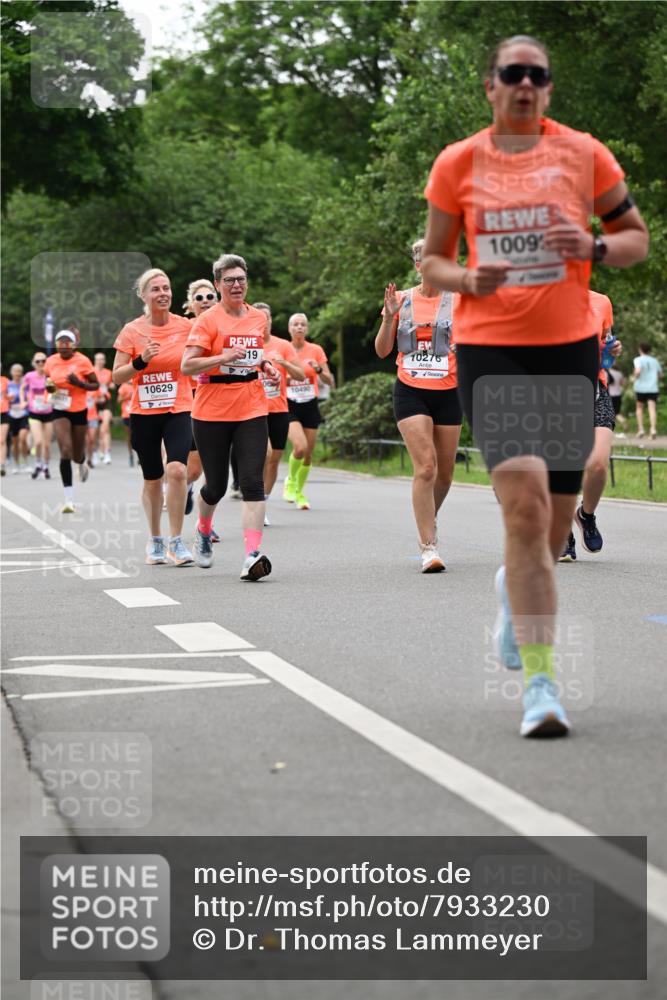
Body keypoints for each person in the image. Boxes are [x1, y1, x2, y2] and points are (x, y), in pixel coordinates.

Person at [422, 34, 648, 737]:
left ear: (547, 87)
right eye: (511, 73)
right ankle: (541, 685)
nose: (524, 83)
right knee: (520, 511)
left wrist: (596, 247)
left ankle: (508, 590)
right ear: (490, 84)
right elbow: (431, 263)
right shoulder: (458, 163)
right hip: (491, 350)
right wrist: (466, 278)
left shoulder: (583, 153)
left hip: (567, 349)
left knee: (548, 530)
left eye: (537, 74)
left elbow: (636, 237)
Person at [181, 253, 280, 580]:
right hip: (211, 409)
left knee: (252, 480)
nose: (236, 285)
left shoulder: (256, 318)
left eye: (241, 279)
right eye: (229, 280)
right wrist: (221, 357)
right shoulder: (207, 321)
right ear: (218, 284)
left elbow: (253, 355)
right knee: (217, 486)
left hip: (251, 404)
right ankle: (203, 528)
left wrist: (266, 367)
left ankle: (251, 555)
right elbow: (188, 365)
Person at [375, 239, 462, 572]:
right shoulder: (400, 299)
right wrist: (388, 319)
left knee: (445, 475)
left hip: (449, 391)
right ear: (418, 265)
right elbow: (382, 351)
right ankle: (429, 546)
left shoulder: (460, 301)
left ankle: (428, 518)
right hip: (411, 390)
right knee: (426, 467)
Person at [112, 268, 195, 566]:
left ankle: (176, 541)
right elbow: (117, 376)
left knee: (176, 471)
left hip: (179, 407)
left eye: (167, 288)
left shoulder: (186, 326)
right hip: (144, 412)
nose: (163, 293)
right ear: (143, 296)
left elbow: (200, 355)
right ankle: (155, 539)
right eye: (156, 289)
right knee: (152, 478)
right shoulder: (132, 330)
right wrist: (141, 360)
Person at [560, 290, 622, 561]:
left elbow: (606, 346)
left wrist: (612, 350)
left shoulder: (602, 302)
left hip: (594, 390)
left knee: (598, 463)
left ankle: (585, 515)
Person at [252, 301, 305, 525]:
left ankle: (262, 502)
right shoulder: (246, 345)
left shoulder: (283, 345)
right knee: (264, 454)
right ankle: (254, 502)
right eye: (259, 319)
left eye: (268, 319)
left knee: (274, 459)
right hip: (254, 410)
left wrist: (285, 364)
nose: (264, 323)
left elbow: (301, 374)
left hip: (279, 409)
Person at [282, 313, 334, 509]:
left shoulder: (316, 350)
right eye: (295, 324)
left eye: (303, 324)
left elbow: (329, 380)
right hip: (289, 404)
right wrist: (286, 379)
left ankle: (299, 493)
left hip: (310, 403)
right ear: (289, 329)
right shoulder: (284, 349)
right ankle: (291, 481)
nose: (299, 328)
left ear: (307, 329)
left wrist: (319, 371)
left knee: (308, 454)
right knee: (300, 447)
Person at [44, 331, 99, 513]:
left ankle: (82, 462)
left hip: (79, 409)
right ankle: (69, 500)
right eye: (61, 342)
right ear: (57, 344)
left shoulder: (83, 361)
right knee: (65, 450)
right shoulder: (50, 361)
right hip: (59, 408)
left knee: (76, 454)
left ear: (74, 345)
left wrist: (79, 384)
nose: (64, 345)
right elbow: (48, 380)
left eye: (68, 342)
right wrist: (50, 387)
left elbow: (95, 385)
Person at [181, 279, 220, 540]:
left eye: (210, 296)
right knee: (193, 470)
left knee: (213, 470)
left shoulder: (224, 326)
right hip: (189, 402)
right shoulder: (182, 330)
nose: (205, 300)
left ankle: (205, 523)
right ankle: (182, 489)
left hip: (220, 403)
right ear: (191, 304)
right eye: (200, 297)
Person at [21, 352, 53, 479]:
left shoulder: (49, 376)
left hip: (48, 412)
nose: (40, 363)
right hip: (34, 413)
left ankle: (45, 466)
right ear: (34, 363)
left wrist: (53, 398)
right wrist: (23, 400)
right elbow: (22, 388)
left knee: (47, 444)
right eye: (37, 361)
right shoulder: (29, 376)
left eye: (43, 361)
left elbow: (54, 391)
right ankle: (38, 463)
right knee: (38, 442)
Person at [632, 342, 662, 439]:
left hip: (640, 387)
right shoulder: (655, 361)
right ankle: (653, 429)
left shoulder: (637, 359)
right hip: (653, 388)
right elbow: (660, 375)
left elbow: (638, 371)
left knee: (639, 408)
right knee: (652, 408)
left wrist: (634, 378)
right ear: (649, 350)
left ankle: (641, 429)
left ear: (640, 349)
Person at [7, 363, 30, 473]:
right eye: (15, 371)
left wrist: (26, 402)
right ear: (11, 372)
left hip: (24, 414)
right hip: (12, 415)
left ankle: (25, 462)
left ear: (21, 373)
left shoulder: (25, 385)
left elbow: (31, 396)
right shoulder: (8, 385)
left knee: (23, 438)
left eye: (19, 371)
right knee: (14, 442)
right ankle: (16, 464)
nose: (17, 373)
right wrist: (8, 399)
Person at [93, 352, 115, 464]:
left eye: (102, 359)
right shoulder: (91, 372)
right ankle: (96, 452)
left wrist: (110, 386)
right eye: (98, 359)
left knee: (105, 428)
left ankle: (107, 453)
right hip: (94, 402)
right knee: (94, 430)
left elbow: (112, 384)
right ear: (95, 361)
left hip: (106, 401)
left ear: (104, 361)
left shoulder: (108, 372)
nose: (100, 361)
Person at [117, 381, 134, 466]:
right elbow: (118, 400)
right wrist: (128, 396)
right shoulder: (124, 386)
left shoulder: (137, 382)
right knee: (130, 436)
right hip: (127, 414)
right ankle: (131, 455)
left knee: (140, 436)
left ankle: (140, 455)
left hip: (137, 413)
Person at [607, 364, 626, 434]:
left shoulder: (608, 372)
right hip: (618, 395)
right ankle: (621, 422)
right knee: (617, 412)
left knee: (611, 413)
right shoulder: (619, 373)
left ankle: (611, 427)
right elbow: (623, 383)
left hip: (610, 395)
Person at [1, 367, 10, 476]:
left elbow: (12, 394)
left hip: (3, 412)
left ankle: (2, 465)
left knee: (2, 440)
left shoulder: (5, 380)